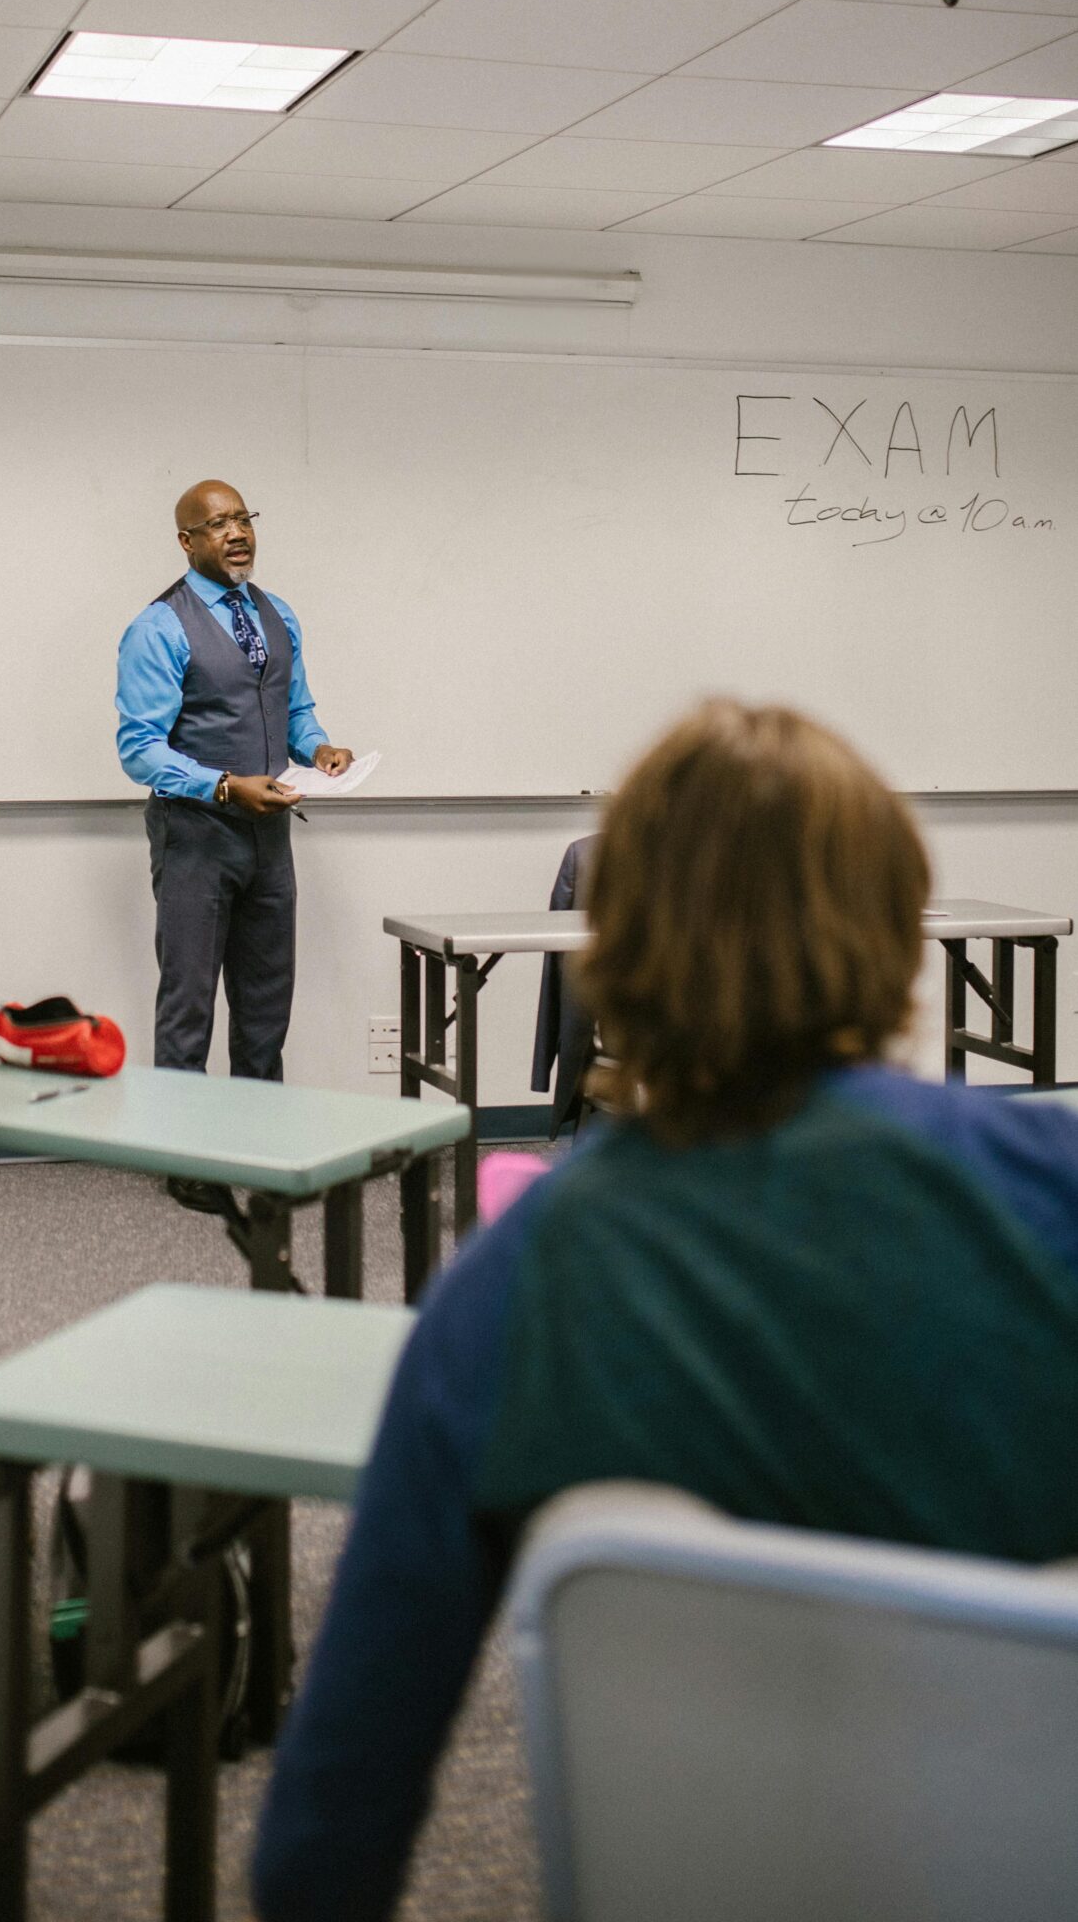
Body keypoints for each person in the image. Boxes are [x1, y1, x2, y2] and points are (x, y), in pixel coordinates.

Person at [254, 700, 1078, 1922]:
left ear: (611, 945)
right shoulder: (1050, 1192)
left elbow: (324, 1833)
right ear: (897, 935)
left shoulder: (513, 1284)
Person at [116, 481, 351, 1209]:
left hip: (269, 835)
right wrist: (222, 786)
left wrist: (320, 750)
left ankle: (258, 1149)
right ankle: (187, 1160)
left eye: (242, 518)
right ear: (186, 542)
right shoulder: (158, 627)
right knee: (189, 1000)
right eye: (215, 524)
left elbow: (297, 710)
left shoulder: (276, 614)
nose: (235, 532)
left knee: (263, 1001)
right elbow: (138, 749)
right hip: (195, 836)